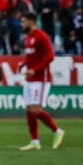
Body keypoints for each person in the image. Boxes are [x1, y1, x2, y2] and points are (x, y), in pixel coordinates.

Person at [19, 13, 65, 151]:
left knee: (35, 110)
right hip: (29, 78)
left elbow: (51, 56)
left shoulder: (41, 36)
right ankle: (34, 141)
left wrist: (35, 69)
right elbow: (31, 56)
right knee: (28, 109)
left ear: (32, 21)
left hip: (40, 79)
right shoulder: (27, 38)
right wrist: (23, 63)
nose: (21, 24)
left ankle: (57, 131)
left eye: (24, 21)